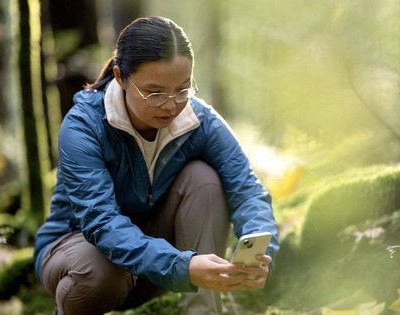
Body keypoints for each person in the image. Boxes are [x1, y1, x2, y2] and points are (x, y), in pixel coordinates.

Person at [33, 16, 279, 315]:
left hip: (158, 262)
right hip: (80, 254)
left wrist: (259, 251)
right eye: (154, 92)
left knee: (204, 178)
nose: (171, 104)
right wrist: (182, 265)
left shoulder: (201, 122)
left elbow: (248, 192)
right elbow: (101, 222)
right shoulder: (84, 127)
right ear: (121, 77)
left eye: (183, 89)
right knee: (100, 273)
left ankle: (202, 311)